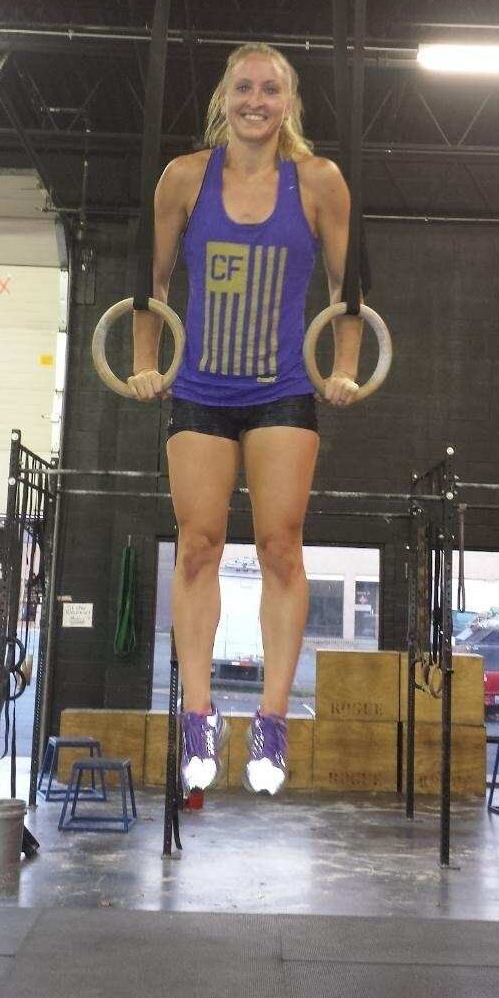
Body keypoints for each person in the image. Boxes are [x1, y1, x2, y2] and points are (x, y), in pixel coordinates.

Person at [129, 42, 362, 796]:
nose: (255, 100)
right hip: (197, 386)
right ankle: (197, 715)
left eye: (270, 89)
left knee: (280, 547)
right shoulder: (184, 178)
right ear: (223, 98)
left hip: (282, 389)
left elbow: (346, 288)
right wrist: (144, 362)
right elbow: (151, 280)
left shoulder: (320, 183)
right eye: (242, 87)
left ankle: (269, 720)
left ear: (287, 102)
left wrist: (345, 369)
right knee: (196, 546)